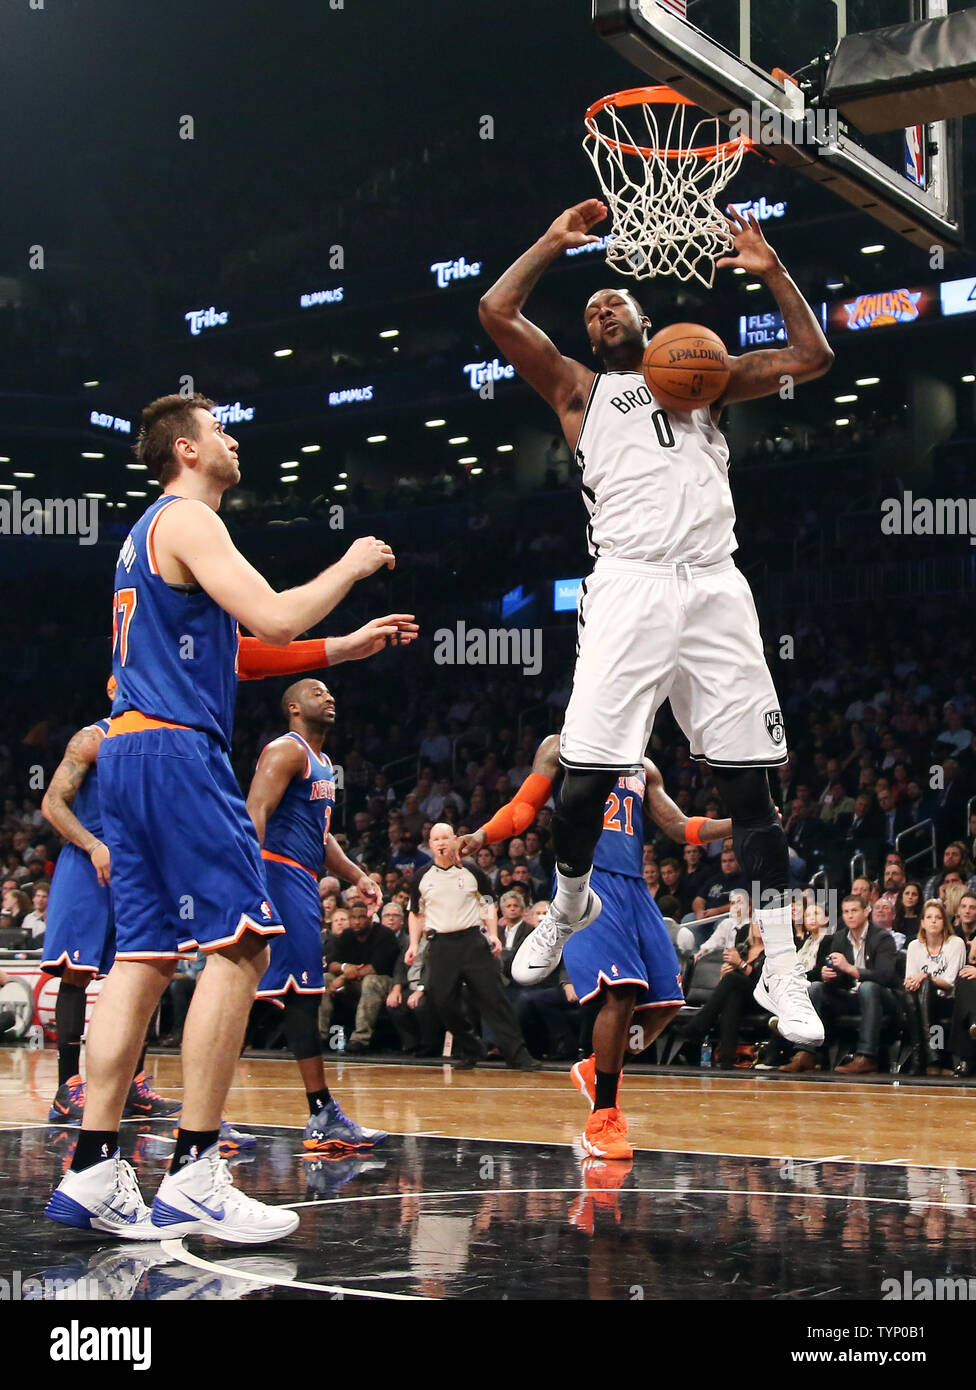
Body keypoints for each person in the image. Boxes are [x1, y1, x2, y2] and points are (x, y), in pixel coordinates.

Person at [46, 390, 405, 1243]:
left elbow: (235, 651)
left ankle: (95, 1166)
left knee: (137, 958)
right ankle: (197, 1168)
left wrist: (341, 648)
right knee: (242, 943)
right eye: (219, 429)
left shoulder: (147, 535)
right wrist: (351, 564)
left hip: (126, 751)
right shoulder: (191, 519)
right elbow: (274, 611)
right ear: (185, 449)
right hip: (176, 754)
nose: (233, 438)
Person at [480, 200, 831, 1051]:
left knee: (753, 793)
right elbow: (495, 313)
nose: (601, 310)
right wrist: (551, 240)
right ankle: (567, 905)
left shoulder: (704, 381)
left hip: (715, 589)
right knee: (584, 782)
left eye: (615, 302)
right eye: (590, 306)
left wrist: (772, 269)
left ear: (648, 318)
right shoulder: (577, 390)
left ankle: (783, 967)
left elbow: (814, 357)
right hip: (628, 590)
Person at [458, 734, 731, 1157]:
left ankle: (596, 1068)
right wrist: (483, 833)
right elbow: (522, 809)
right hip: (588, 881)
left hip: (635, 887)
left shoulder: (642, 763)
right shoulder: (560, 745)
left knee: (667, 1000)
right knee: (621, 993)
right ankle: (602, 1119)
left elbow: (680, 827)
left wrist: (740, 822)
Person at [246, 678, 396, 1150]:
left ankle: (319, 1112)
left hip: (299, 879)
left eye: (331, 691)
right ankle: (315, 1112)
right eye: (316, 691)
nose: (328, 695)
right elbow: (255, 813)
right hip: (274, 875)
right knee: (277, 995)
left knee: (294, 996)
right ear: (293, 707)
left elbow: (322, 837)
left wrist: (357, 876)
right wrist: (249, 886)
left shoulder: (324, 765)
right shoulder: (285, 751)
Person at [40, 703, 179, 1126]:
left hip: (139, 868)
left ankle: (132, 1083)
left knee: (146, 969)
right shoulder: (92, 738)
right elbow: (52, 803)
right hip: (90, 861)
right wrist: (94, 846)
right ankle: (68, 1087)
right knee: (76, 973)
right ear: (112, 687)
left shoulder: (154, 744)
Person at [406, 823, 538, 1071]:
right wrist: (413, 944)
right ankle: (471, 1046)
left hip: (473, 942)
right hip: (441, 944)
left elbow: (488, 903)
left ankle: (518, 1056)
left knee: (494, 999)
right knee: (440, 1001)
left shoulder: (472, 871)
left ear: (455, 839)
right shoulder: (422, 876)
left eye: (446, 837)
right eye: (436, 839)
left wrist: (493, 934)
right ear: (431, 844)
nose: (442, 843)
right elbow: (415, 913)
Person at [790, 895, 898, 1075]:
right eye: (846, 912)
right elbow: (841, 979)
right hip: (851, 997)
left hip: (883, 998)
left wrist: (850, 968)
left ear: (866, 912)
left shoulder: (882, 938)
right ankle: (805, 1052)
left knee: (868, 987)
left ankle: (866, 1056)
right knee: (815, 987)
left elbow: (885, 976)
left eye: (854, 911)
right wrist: (829, 976)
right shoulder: (839, 938)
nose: (850, 916)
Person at [900, 899, 966, 1076]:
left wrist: (926, 977)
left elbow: (950, 983)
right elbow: (909, 980)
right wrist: (920, 980)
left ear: (944, 922)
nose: (933, 921)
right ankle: (928, 1056)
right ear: (922, 922)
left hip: (948, 1001)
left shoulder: (955, 943)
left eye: (938, 917)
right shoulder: (914, 945)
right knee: (910, 994)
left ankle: (922, 1056)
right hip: (921, 1001)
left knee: (926, 984)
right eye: (929, 917)